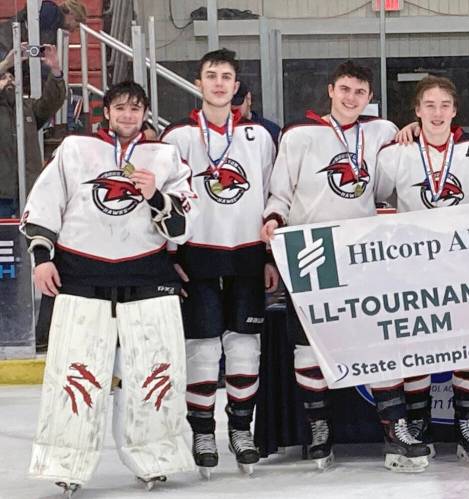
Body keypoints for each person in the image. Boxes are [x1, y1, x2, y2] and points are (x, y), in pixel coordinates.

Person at [23, 80, 196, 495]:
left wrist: (155, 196)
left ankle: (155, 458)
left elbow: (184, 228)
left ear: (145, 114)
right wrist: (42, 259)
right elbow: (46, 203)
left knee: (155, 373)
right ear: (107, 111)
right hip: (81, 277)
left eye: (136, 109)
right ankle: (65, 463)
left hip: (147, 277)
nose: (128, 115)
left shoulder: (166, 156)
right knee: (74, 373)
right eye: (120, 107)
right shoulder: (75, 150)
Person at [260, 60, 402, 470]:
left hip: (362, 253)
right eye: (344, 89)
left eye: (359, 92)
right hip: (312, 251)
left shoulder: (383, 131)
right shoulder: (300, 134)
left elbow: (392, 182)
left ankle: (394, 425)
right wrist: (273, 219)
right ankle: (319, 428)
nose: (351, 98)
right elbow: (279, 191)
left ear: (369, 97)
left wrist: (409, 132)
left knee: (378, 338)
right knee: (308, 345)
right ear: (330, 90)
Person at [160, 48, 278, 478]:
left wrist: (269, 256)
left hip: (247, 254)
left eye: (227, 76)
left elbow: (269, 197)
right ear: (199, 83)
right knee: (204, 349)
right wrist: (170, 257)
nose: (219, 83)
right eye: (211, 75)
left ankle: (241, 430)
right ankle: (203, 431)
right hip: (198, 255)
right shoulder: (177, 137)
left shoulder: (259, 137)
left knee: (245, 346)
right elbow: (165, 204)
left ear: (236, 86)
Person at [373, 74, 469, 471]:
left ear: (455, 110)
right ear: (416, 111)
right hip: (413, 272)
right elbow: (377, 206)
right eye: (429, 104)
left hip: (463, 271)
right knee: (416, 350)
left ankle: (467, 424)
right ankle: (418, 423)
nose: (437, 112)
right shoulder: (395, 154)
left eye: (445, 104)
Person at [0, 42, 66, 218]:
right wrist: (6, 64)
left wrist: (55, 71)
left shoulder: (27, 107)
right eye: (3, 77)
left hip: (29, 189)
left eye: (11, 77)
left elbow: (52, 102)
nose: (8, 81)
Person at [0, 0, 87, 58]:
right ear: (72, 14)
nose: (74, 29)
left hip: (8, 44)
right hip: (6, 45)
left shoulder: (52, 14)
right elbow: (40, 45)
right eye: (77, 23)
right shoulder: (52, 12)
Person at [232, 80, 281, 145]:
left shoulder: (270, 130)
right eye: (226, 104)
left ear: (248, 98)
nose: (233, 107)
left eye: (237, 103)